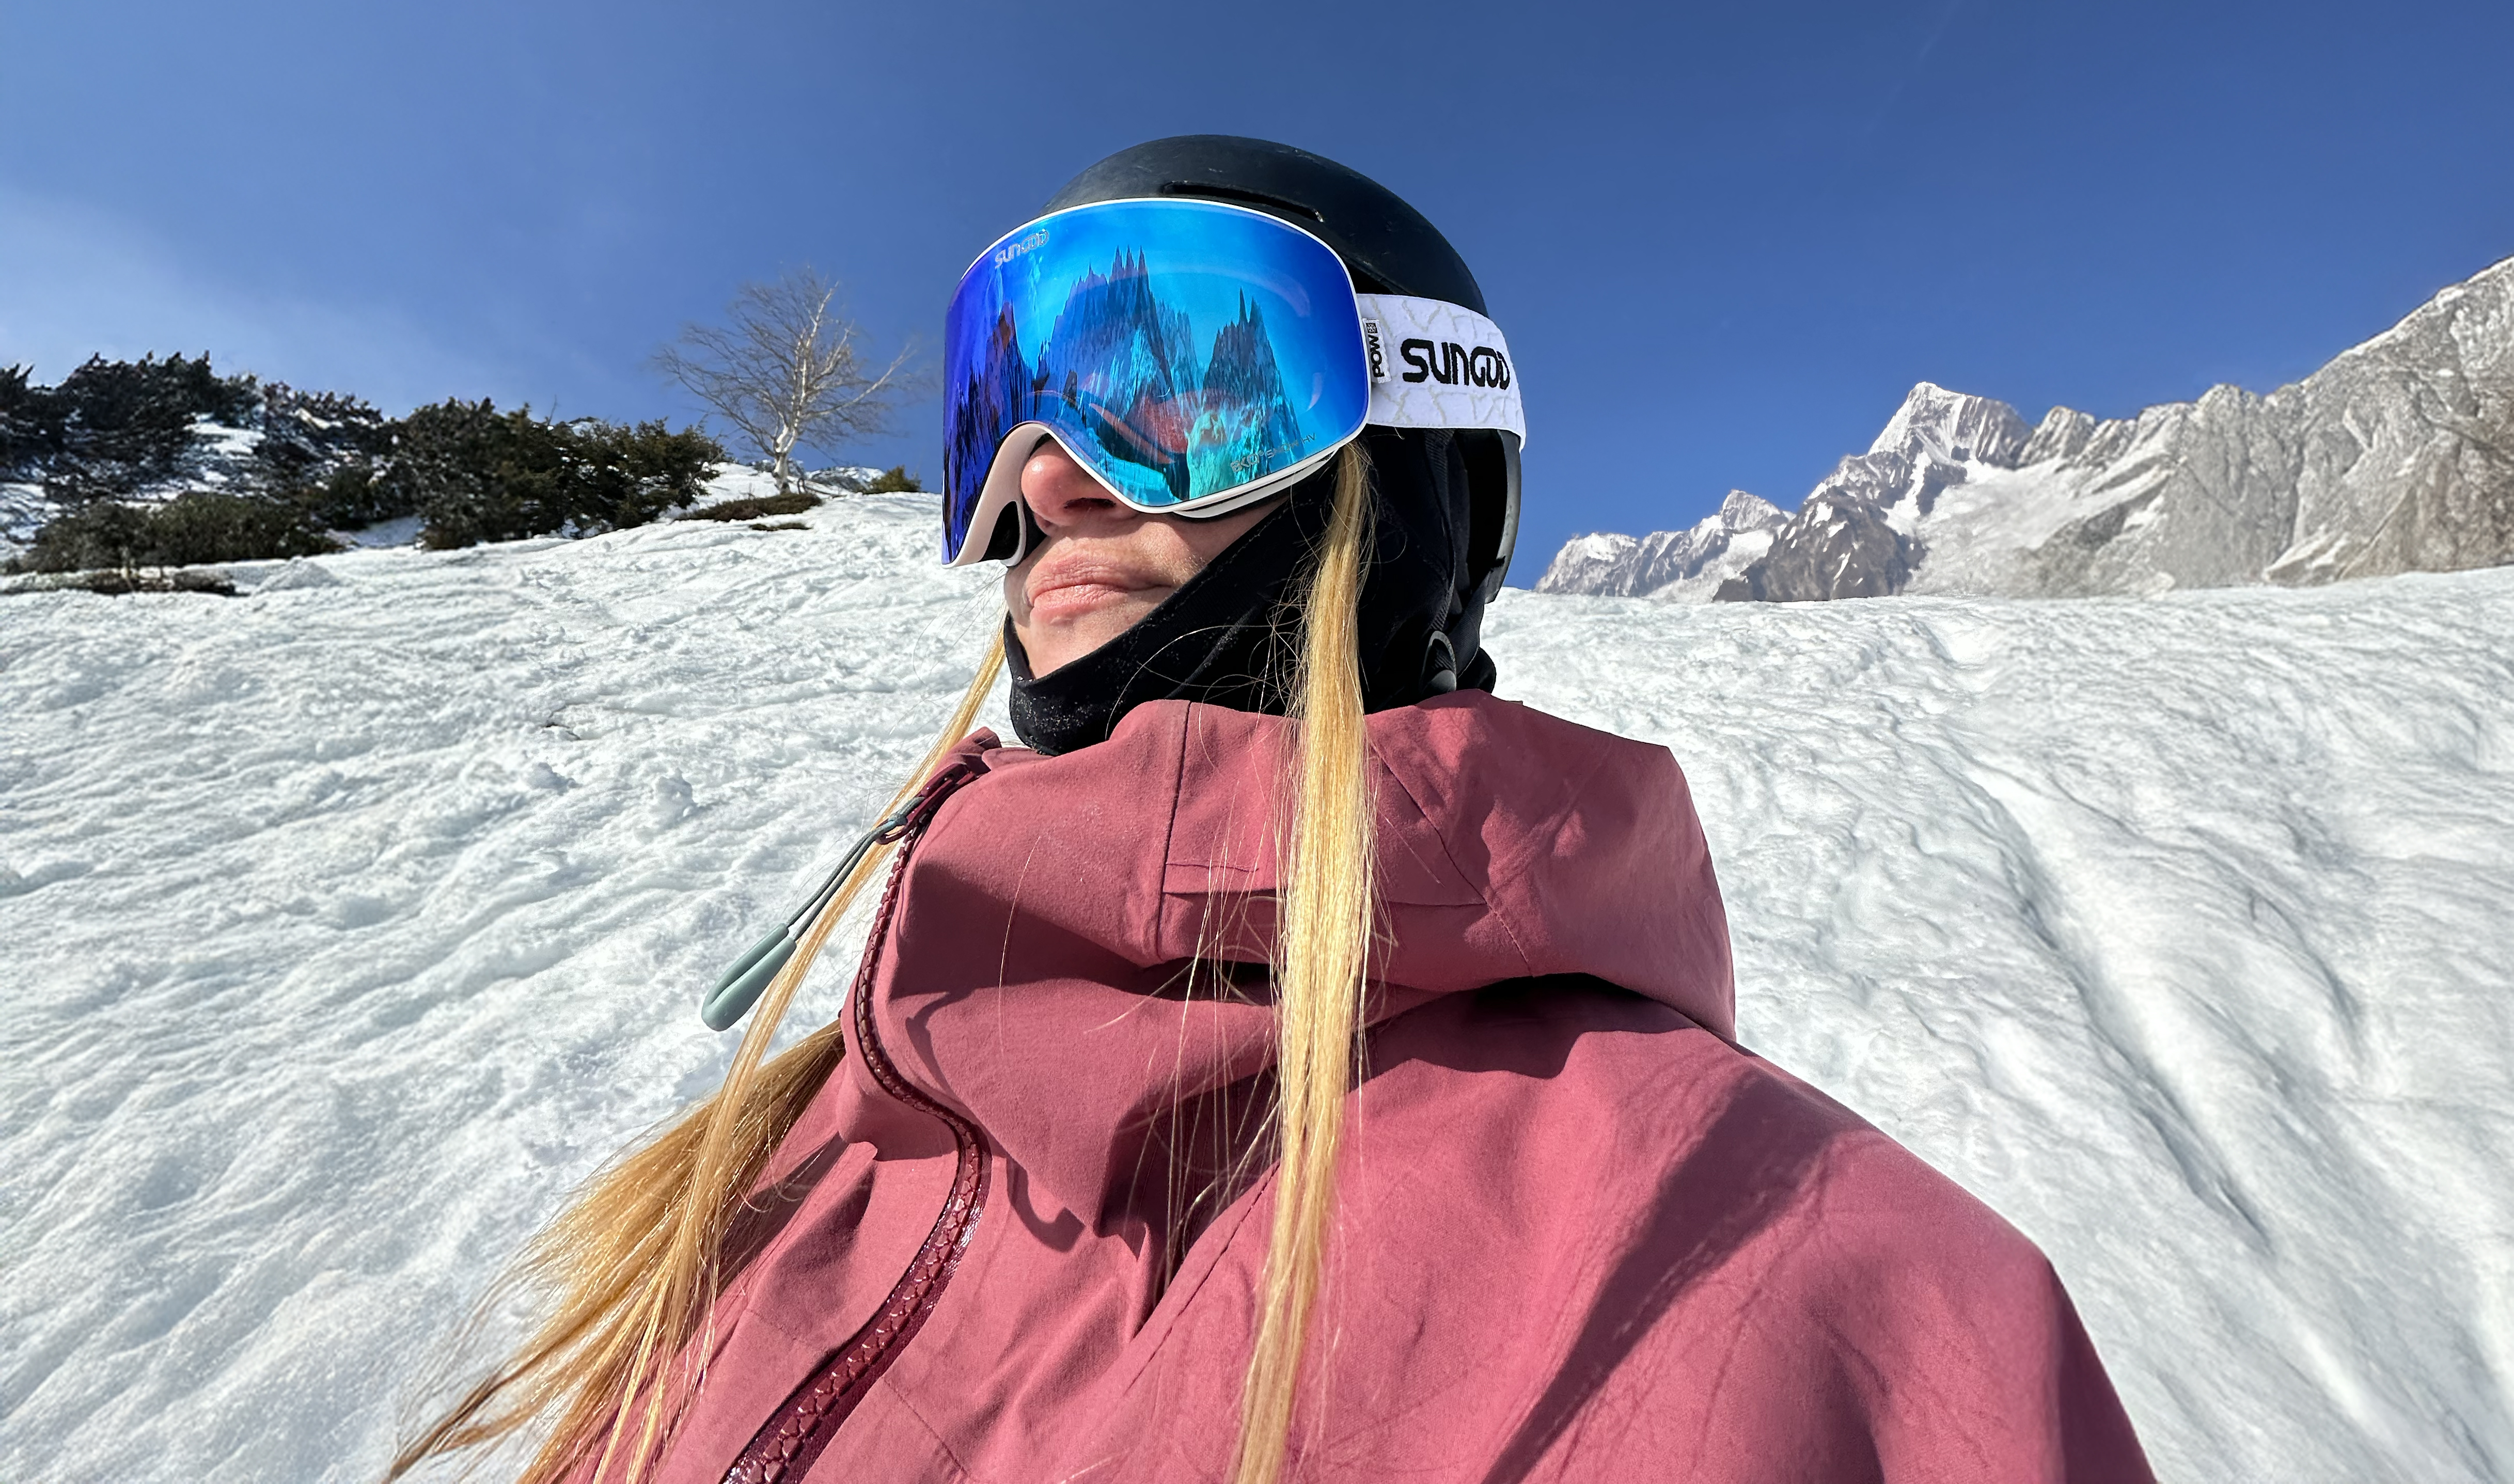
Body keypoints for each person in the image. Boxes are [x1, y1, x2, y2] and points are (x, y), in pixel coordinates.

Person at [396, 137, 2154, 1484]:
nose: (1051, 477)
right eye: (1000, 405)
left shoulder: (1831, 1285)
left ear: (1406, 493)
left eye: (1179, 391)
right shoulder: (825, 1123)